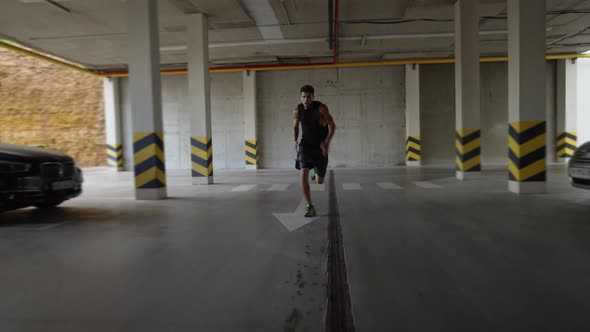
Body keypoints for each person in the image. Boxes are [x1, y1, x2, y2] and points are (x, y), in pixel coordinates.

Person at [293, 85, 335, 217]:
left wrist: (327, 142)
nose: (306, 100)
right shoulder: (297, 110)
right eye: (303, 97)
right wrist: (295, 140)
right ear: (301, 97)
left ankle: (314, 169)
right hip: (305, 146)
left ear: (313, 97)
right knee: (303, 172)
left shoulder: (321, 108)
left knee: (320, 181)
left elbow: (332, 125)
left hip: (320, 147)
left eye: (309, 97)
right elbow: (295, 127)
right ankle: (310, 206)